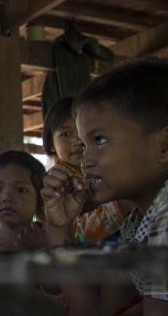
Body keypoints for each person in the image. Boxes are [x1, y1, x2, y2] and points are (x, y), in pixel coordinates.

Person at [42, 59, 168, 316]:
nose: (85, 160)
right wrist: (60, 229)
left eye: (99, 140)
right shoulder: (138, 223)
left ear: (166, 146)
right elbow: (93, 312)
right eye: (84, 146)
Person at [43, 97, 130, 243]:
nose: (77, 141)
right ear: (51, 143)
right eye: (65, 134)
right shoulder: (57, 181)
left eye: (83, 133)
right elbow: (77, 233)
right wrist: (122, 206)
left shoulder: (103, 168)